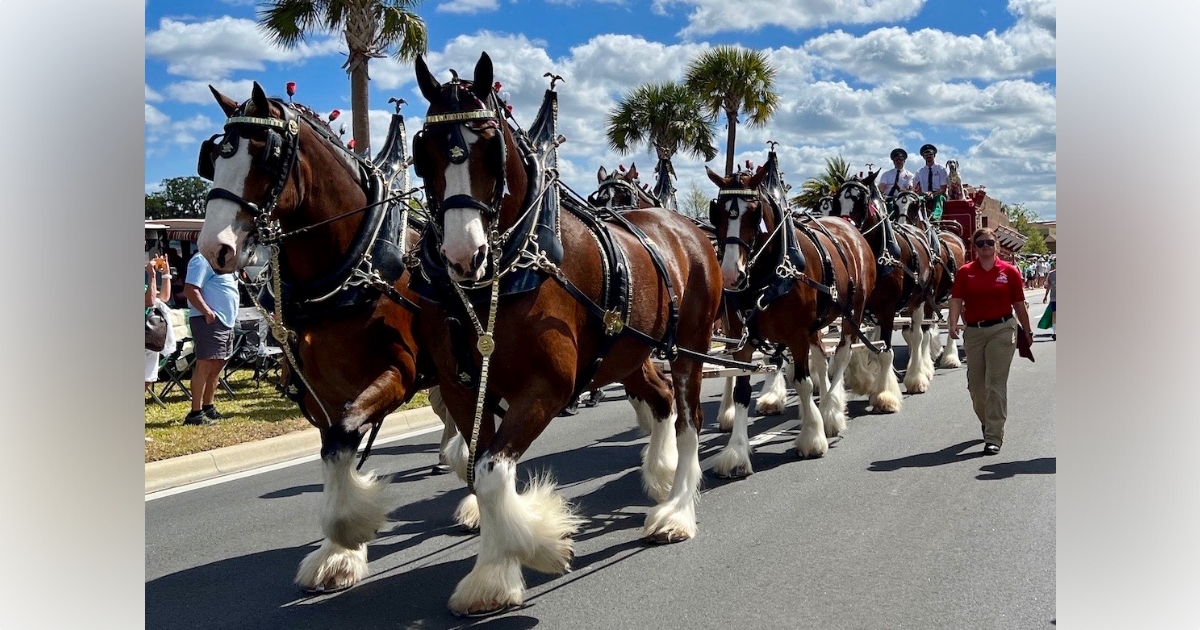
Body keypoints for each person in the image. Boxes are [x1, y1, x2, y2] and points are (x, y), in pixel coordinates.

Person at [947, 228, 1034, 456]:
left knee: (995, 385)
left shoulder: (1010, 271)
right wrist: (952, 322)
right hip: (974, 332)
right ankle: (987, 421)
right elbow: (956, 299)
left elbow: (1019, 303)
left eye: (989, 243)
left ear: (996, 246)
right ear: (974, 247)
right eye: (980, 243)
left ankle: (994, 435)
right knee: (976, 387)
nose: (985, 247)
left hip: (1002, 330)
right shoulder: (965, 272)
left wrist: (1027, 330)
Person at [181, 252, 240, 426]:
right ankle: (195, 413)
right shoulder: (202, 259)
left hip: (224, 321)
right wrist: (207, 312)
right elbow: (190, 289)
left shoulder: (226, 264)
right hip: (208, 320)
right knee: (205, 365)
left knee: (217, 365)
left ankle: (208, 406)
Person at [145, 256, 176, 393]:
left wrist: (165, 274)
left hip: (150, 335)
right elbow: (149, 301)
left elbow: (163, 297)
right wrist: (151, 276)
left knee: (147, 377)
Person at [913, 143, 949, 222]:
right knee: (915, 201)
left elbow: (943, 189)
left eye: (930, 154)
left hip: (939, 194)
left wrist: (933, 194)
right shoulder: (919, 172)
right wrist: (923, 194)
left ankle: (935, 219)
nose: (928, 156)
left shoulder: (941, 170)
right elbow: (915, 189)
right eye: (926, 155)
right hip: (924, 195)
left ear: (934, 155)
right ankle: (914, 220)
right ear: (923, 157)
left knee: (939, 198)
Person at [877, 148, 915, 221]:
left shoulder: (910, 175)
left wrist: (901, 189)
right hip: (886, 197)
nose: (898, 161)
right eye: (896, 160)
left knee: (893, 204)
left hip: (901, 198)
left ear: (904, 161)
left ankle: (891, 222)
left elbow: (910, 189)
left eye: (900, 159)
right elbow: (882, 187)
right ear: (893, 161)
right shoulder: (886, 174)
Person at [1042, 259, 1056, 340]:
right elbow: (1048, 286)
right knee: (1055, 314)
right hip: (1054, 297)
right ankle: (1055, 332)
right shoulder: (1051, 274)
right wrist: (1045, 296)